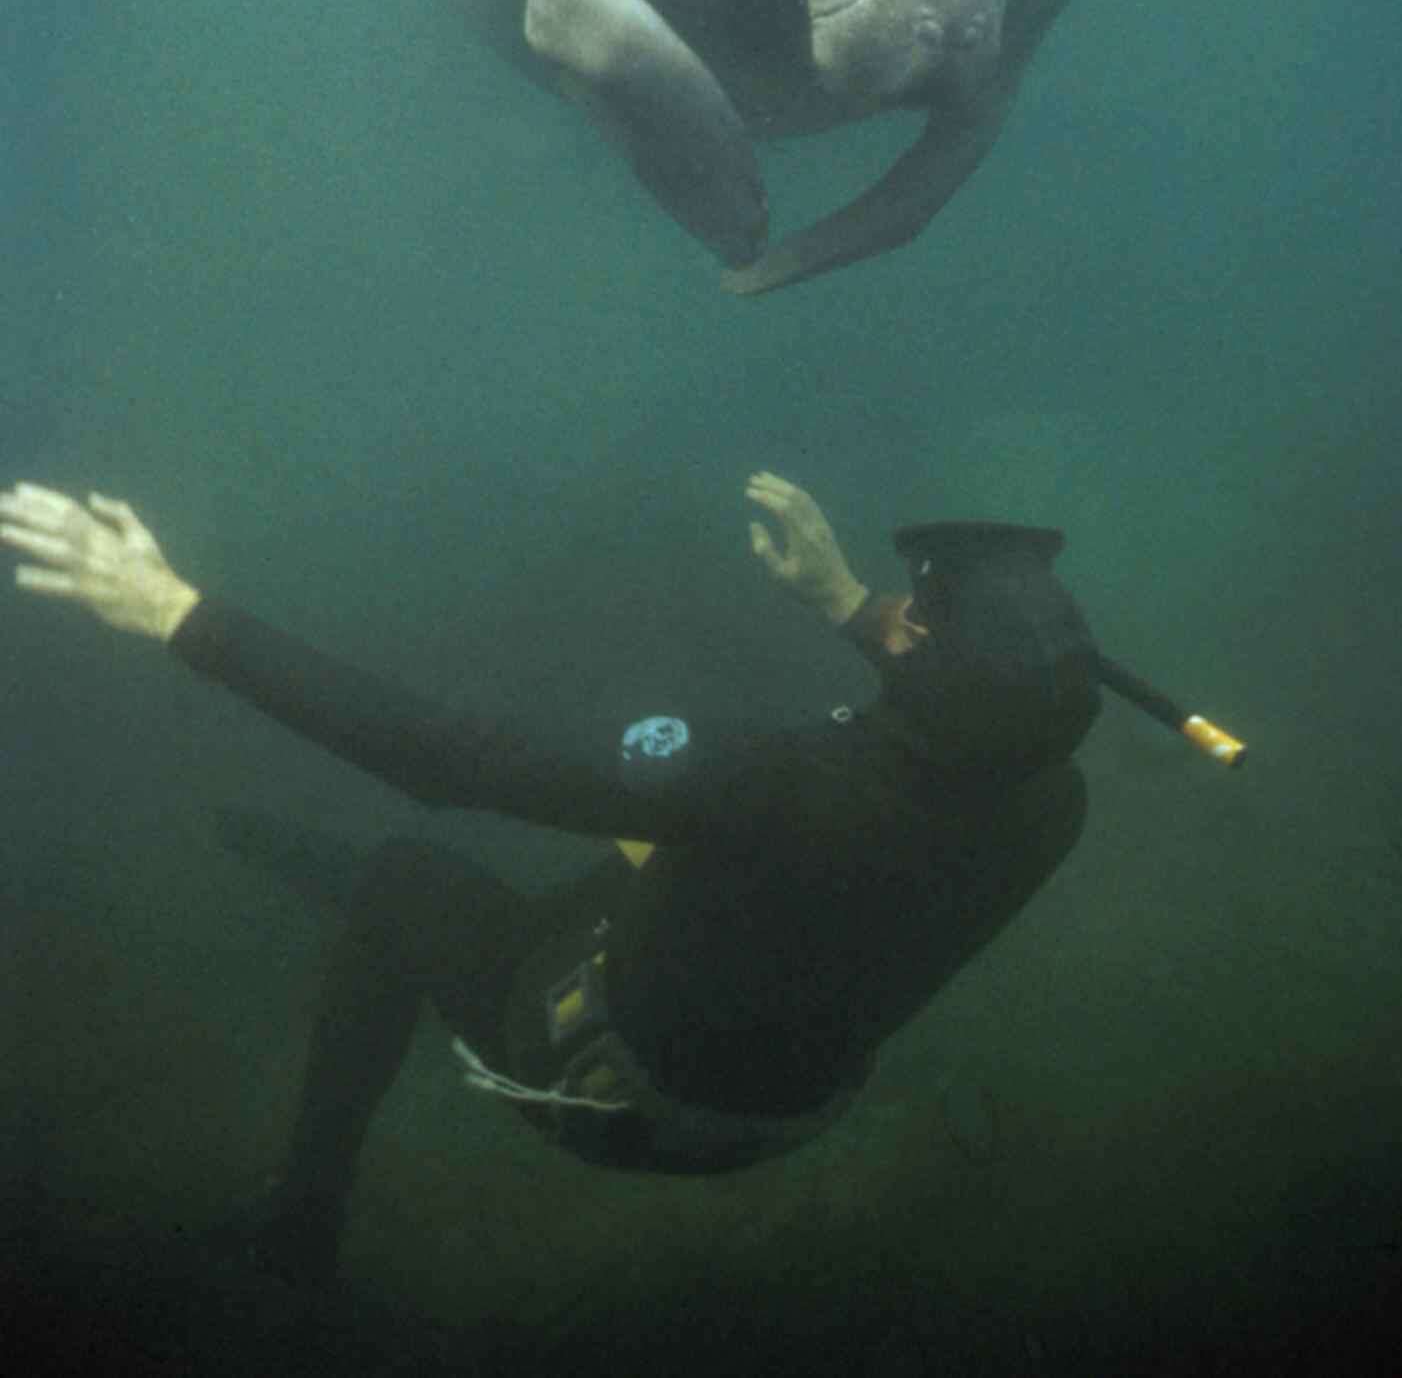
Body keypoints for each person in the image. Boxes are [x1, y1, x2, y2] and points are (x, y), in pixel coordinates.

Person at [0, 469, 1103, 1285]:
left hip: (616, 1099)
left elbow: (447, 760)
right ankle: (382, 912)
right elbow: (970, 726)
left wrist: (178, 616)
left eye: (916, 618)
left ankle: (301, 1219)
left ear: (939, 658)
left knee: (403, 875)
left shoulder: (771, 784)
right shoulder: (1053, 800)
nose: (900, 619)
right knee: (647, 865)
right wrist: (847, 604)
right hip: (781, 1109)